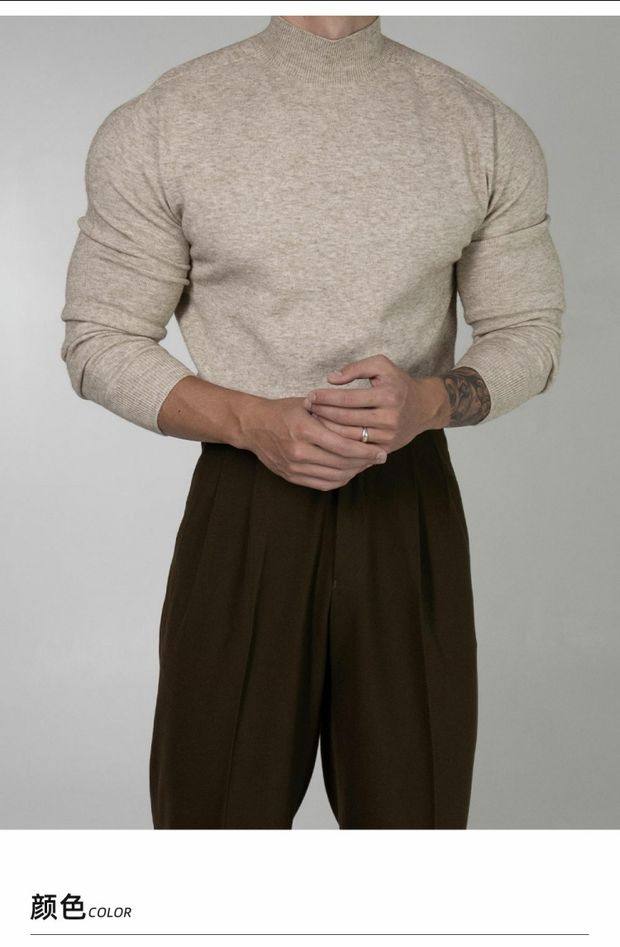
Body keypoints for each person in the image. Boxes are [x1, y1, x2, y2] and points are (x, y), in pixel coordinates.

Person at [60, 15, 565, 829]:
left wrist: (428, 401)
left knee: (415, 833)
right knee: (211, 830)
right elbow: (99, 337)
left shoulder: (482, 128)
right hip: (244, 500)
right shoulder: (165, 120)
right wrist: (252, 420)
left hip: (408, 499)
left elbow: (528, 332)